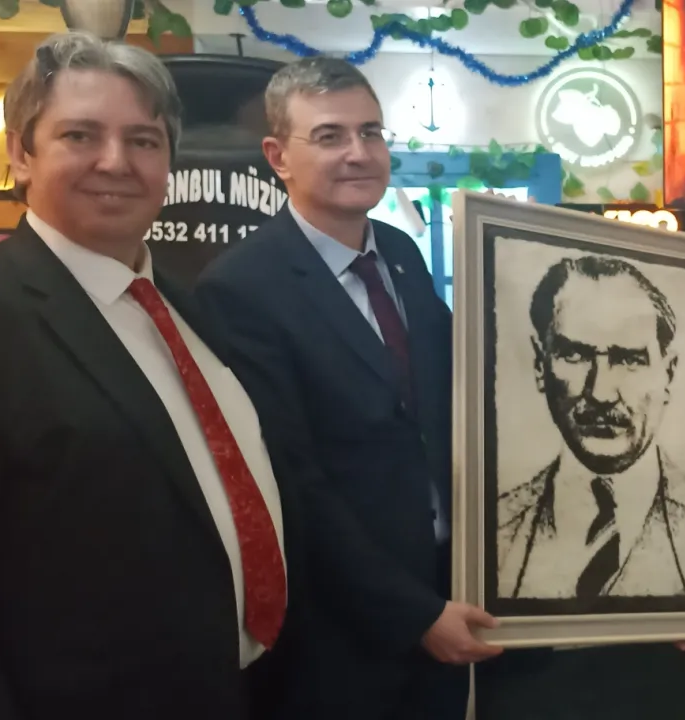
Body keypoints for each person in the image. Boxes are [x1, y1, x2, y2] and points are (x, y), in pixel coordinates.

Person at [0, 32, 295, 719]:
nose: (116, 161)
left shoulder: (188, 309)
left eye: (143, 140)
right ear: (20, 154)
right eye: (80, 135)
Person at [195, 56, 498, 720]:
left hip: (449, 592)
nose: (359, 153)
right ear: (278, 156)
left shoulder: (400, 253)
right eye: (330, 136)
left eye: (371, 132)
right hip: (339, 634)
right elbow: (293, 482)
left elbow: (452, 406)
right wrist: (413, 614)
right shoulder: (241, 288)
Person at [497, 255, 685, 601]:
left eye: (629, 359)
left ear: (668, 373)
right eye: (575, 355)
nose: (600, 393)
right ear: (541, 365)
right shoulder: (493, 527)